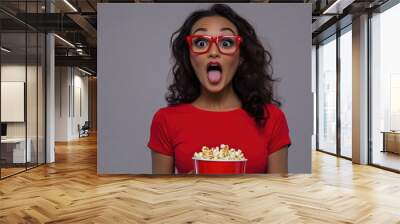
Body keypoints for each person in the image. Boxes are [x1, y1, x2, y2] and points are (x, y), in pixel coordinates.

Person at [147, 4, 291, 174]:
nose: (213, 52)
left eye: (226, 42)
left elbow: (277, 196)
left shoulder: (272, 118)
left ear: (242, 56)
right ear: (189, 56)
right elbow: (162, 196)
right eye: (201, 43)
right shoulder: (165, 120)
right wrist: (184, 189)